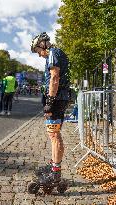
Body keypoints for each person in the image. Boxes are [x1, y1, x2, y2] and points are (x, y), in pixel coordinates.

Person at [31, 32, 69, 183]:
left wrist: (50, 101)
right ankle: (54, 166)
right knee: (53, 134)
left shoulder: (53, 53)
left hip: (57, 98)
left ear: (43, 44)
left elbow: (54, 78)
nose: (39, 55)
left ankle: (56, 173)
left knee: (54, 135)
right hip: (59, 98)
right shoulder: (55, 53)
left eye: (37, 51)